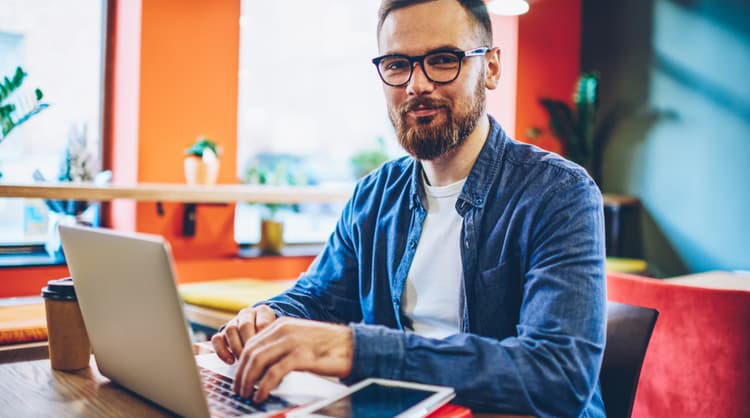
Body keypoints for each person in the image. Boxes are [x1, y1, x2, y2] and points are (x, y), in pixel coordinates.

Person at [212, 0, 606, 416]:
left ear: (490, 68)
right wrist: (267, 319)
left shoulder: (559, 193)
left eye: (442, 60)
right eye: (398, 64)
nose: (416, 85)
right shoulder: (373, 196)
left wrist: (356, 349)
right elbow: (317, 298)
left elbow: (557, 377)